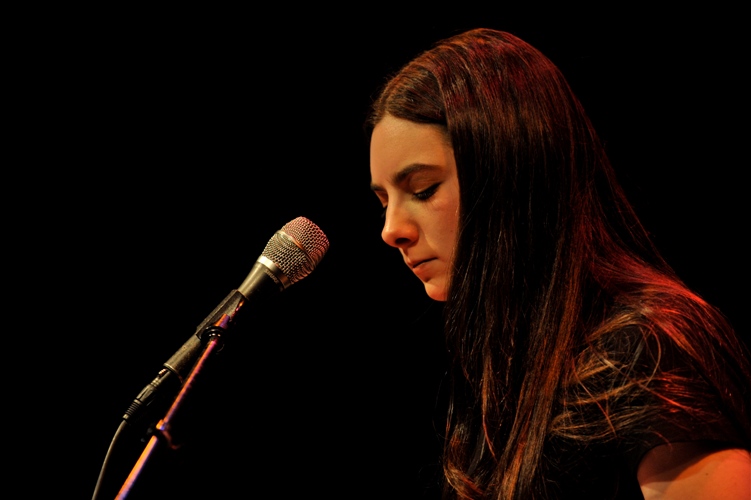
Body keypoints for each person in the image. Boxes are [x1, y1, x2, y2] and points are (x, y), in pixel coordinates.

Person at [366, 28, 751, 499]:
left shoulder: (646, 347)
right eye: (384, 200)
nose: (391, 229)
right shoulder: (506, 369)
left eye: (423, 189)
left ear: (510, 175)